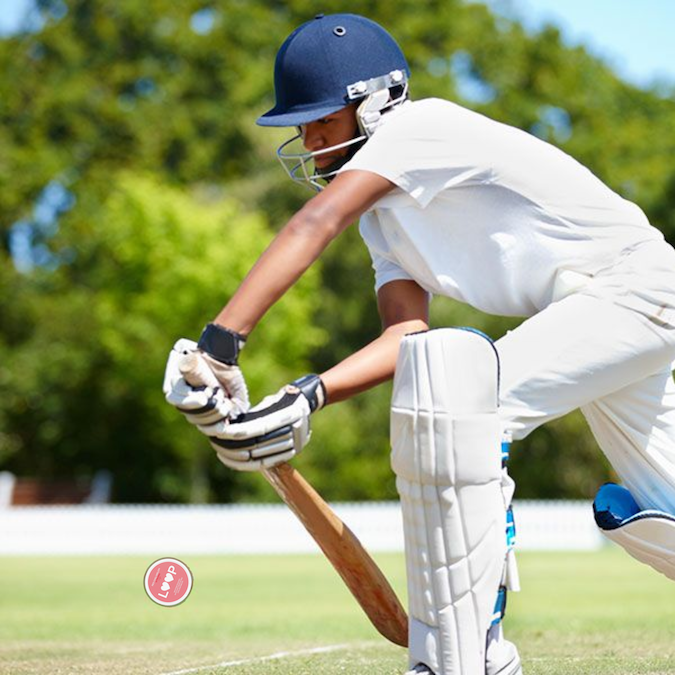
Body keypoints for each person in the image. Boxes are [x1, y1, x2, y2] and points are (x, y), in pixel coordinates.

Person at [163, 13, 675, 675]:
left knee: (463, 413)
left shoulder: (418, 130)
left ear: (375, 102)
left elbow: (315, 221)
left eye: (323, 118)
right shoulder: (385, 220)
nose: (308, 138)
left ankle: (468, 656)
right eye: (302, 124)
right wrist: (304, 397)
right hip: (597, 310)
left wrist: (218, 346)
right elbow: (406, 333)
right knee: (664, 511)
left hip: (633, 287)